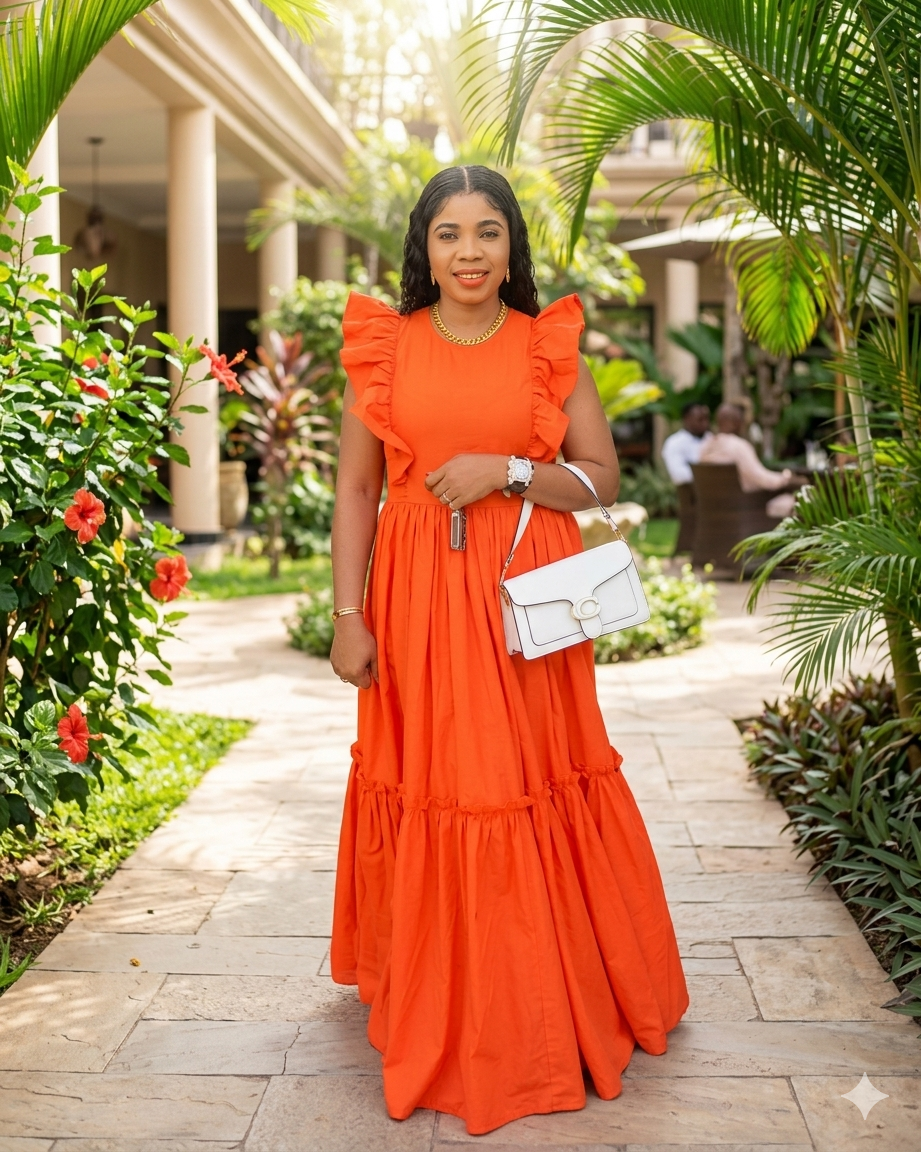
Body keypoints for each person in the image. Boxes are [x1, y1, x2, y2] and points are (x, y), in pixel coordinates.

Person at [329, 165, 688, 1136]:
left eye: (489, 232)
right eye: (450, 234)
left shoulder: (546, 346)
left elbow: (601, 478)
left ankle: (538, 1004)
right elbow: (357, 492)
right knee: (439, 778)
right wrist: (346, 614)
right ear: (425, 248)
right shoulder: (384, 348)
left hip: (526, 605)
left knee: (526, 778)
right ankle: (434, 994)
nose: (471, 252)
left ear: (511, 246)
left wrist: (511, 470)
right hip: (415, 603)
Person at [699, 402, 801, 517]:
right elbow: (764, 480)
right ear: (736, 422)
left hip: (716, 512)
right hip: (747, 511)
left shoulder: (706, 446)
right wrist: (787, 477)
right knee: (799, 501)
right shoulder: (738, 446)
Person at [661, 401, 712, 485]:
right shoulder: (674, 442)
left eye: (706, 419)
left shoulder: (712, 439)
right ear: (687, 419)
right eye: (700, 420)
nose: (705, 423)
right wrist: (709, 475)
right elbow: (679, 476)